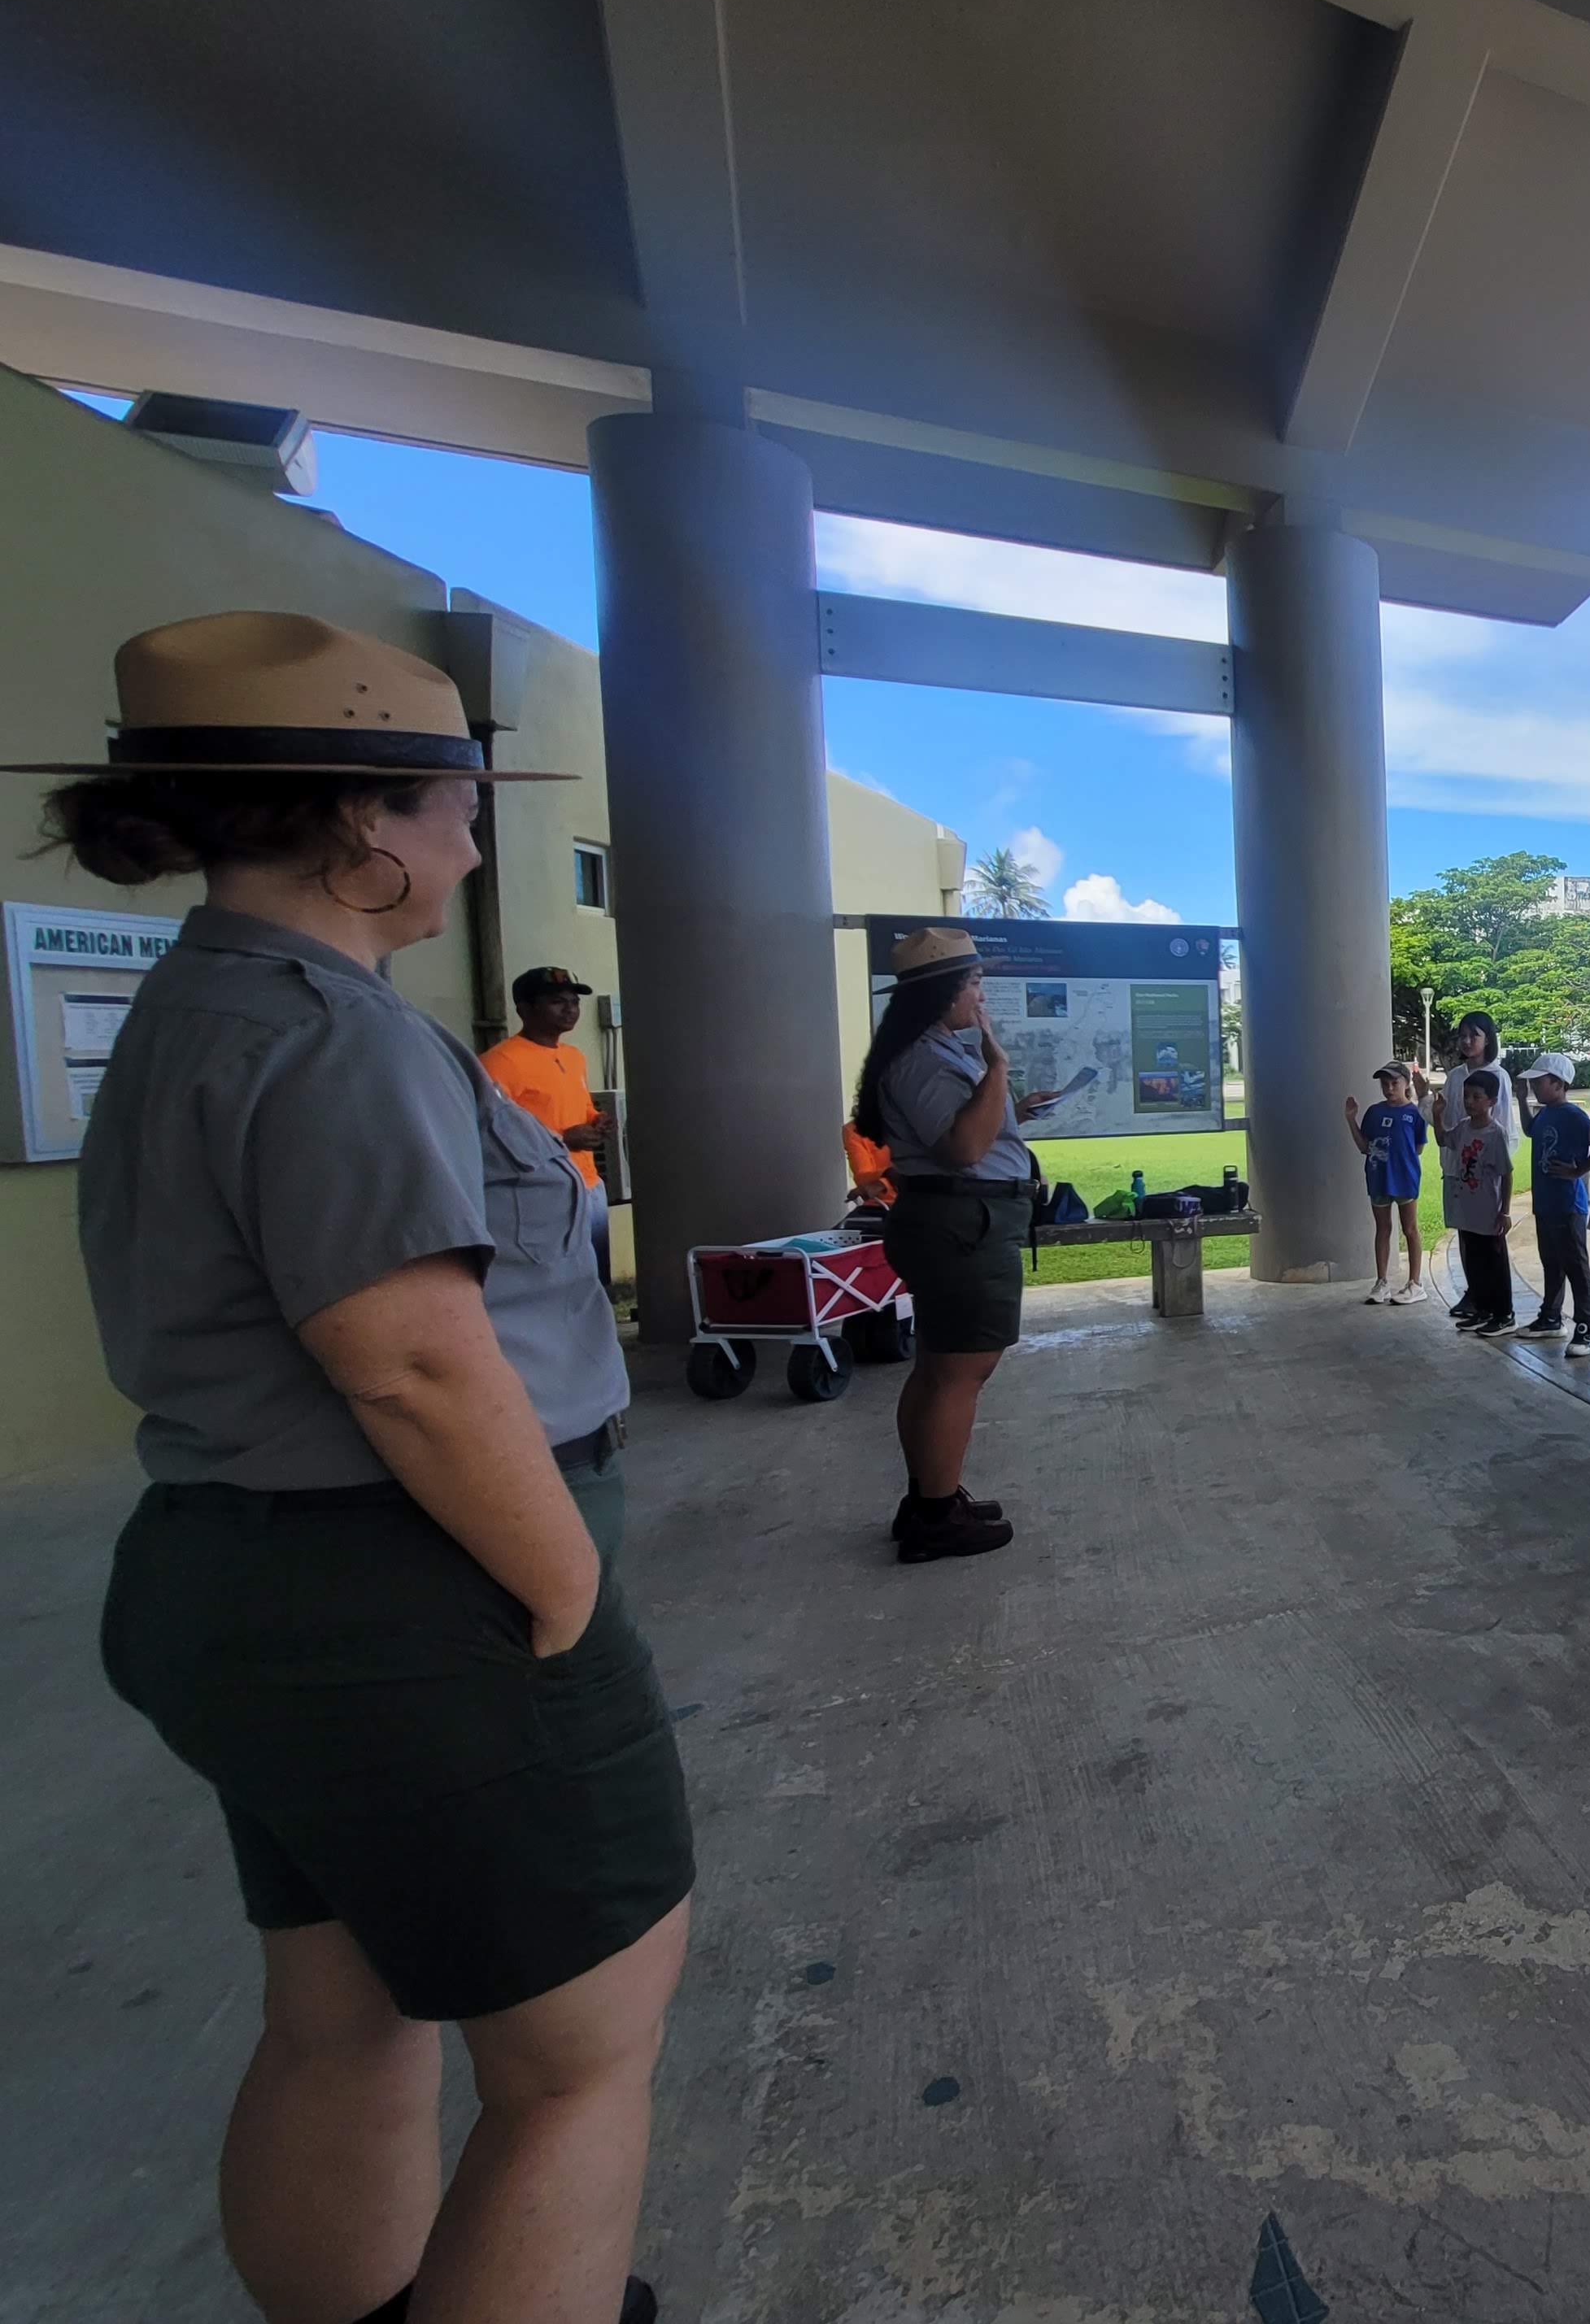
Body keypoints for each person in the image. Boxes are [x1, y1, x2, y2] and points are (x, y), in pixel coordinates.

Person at [20, 611, 689, 2324]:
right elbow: (406, 1364)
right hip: (409, 1591)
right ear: (362, 825)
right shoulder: (334, 1034)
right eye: (458, 799)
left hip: (248, 1577)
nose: (475, 835)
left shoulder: (207, 1003)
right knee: (573, 2069)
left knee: (341, 2014)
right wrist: (559, 1594)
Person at [851, 926, 1075, 1566]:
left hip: (963, 1219)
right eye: (975, 982)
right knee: (960, 1373)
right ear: (944, 990)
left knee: (939, 1369)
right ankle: (934, 1517)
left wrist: (1011, 1108)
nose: (982, 994)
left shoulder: (937, 1050)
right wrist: (999, 1065)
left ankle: (932, 1498)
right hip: (963, 1224)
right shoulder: (925, 1057)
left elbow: (966, 1129)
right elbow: (962, 1150)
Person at [480, 965, 615, 1295]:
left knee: (594, 1282)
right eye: (557, 1002)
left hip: (589, 1184)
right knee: (555, 1286)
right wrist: (563, 1138)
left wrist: (598, 1119)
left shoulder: (574, 1056)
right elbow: (490, 1134)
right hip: (542, 1191)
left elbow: (578, 1107)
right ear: (524, 1009)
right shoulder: (499, 1063)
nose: (570, 1009)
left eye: (574, 1001)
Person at [1426, 1012, 1514, 1316]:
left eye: (1473, 1035)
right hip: (1456, 1166)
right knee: (1466, 1234)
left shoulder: (1498, 1076)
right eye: (1462, 1035)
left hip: (1486, 1171)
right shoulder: (1454, 1076)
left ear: (1487, 1039)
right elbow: (1447, 1122)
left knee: (1489, 1240)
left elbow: (1503, 1125)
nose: (1466, 1041)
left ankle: (1496, 1305)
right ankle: (1474, 1292)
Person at [1519, 1053, 1590, 1358]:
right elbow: (1530, 1131)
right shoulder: (1546, 1113)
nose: (1535, 1087)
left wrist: (1581, 1170)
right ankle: (1551, 1315)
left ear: (1559, 1084)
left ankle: (1585, 1325)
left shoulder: (1573, 1116)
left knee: (1575, 1265)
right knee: (1551, 1261)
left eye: (1539, 1082)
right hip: (1546, 1201)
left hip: (1568, 1203)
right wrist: (1523, 1101)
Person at [1344, 1063, 1428, 1303]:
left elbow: (1418, 1148)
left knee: (1409, 1228)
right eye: (1384, 1084)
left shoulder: (1415, 1114)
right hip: (1378, 1178)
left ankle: (1415, 1282)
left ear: (1406, 1083)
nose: (1389, 1088)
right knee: (1382, 1228)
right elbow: (1364, 1147)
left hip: (1405, 1179)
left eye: (1394, 1083)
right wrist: (1351, 1119)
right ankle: (1381, 1282)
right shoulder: (1374, 1112)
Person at [1442, 1071, 1516, 1334]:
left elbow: (1507, 1173)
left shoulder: (1495, 1134)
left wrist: (1504, 1211)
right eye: (1466, 1096)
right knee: (1474, 1261)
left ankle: (1504, 1313)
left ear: (1492, 1101)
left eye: (1476, 1097)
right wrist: (1437, 1115)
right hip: (1467, 1210)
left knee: (1494, 1262)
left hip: (1487, 1211)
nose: (1469, 1102)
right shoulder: (1463, 1127)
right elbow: (1444, 1139)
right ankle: (1482, 1309)